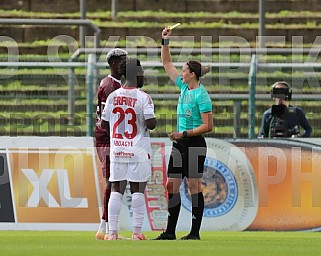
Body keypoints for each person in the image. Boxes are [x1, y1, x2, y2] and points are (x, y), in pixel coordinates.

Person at [154, 27, 213, 240]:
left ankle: (194, 233)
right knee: (172, 185)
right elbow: (166, 63)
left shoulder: (201, 96)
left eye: (184, 70)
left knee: (194, 186)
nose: (180, 72)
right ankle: (170, 232)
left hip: (194, 143)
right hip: (180, 144)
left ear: (192, 74)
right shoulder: (184, 88)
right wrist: (164, 41)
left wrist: (184, 134)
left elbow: (208, 126)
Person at [101, 58, 157, 240]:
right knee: (137, 190)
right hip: (138, 150)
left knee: (116, 189)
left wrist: (118, 134)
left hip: (118, 149)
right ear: (137, 74)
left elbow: (104, 123)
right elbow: (151, 123)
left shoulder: (113, 96)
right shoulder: (143, 97)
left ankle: (112, 233)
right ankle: (137, 233)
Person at [95, 48, 128, 240]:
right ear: (115, 64)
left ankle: (106, 227)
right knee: (112, 181)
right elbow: (109, 120)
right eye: (123, 61)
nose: (126, 64)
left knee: (116, 181)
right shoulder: (111, 87)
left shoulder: (111, 83)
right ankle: (105, 229)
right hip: (107, 139)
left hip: (107, 138)